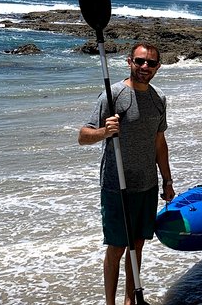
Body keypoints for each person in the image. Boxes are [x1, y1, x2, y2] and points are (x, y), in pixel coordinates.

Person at [78, 43, 174, 305]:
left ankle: (130, 301)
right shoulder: (113, 95)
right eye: (140, 61)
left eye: (151, 63)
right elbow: (83, 136)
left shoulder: (159, 99)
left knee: (139, 244)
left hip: (147, 184)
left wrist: (167, 180)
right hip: (116, 184)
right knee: (118, 247)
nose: (145, 67)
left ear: (158, 67)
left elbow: (159, 143)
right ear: (129, 61)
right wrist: (104, 132)